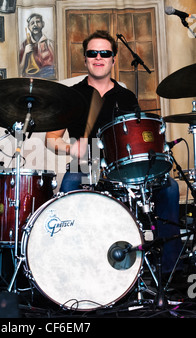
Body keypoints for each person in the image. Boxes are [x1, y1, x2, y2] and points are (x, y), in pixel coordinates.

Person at [45, 30, 184, 281]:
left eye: (105, 53)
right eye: (92, 53)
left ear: (113, 59)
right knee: (70, 183)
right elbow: (50, 139)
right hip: (85, 163)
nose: (98, 57)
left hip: (123, 167)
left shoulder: (126, 96)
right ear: (85, 59)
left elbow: (138, 136)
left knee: (170, 187)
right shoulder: (71, 96)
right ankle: (67, 267)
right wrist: (70, 148)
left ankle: (169, 272)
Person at [19, 13, 55, 79]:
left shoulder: (51, 43)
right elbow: (20, 70)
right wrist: (25, 53)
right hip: (32, 79)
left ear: (43, 24)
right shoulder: (24, 45)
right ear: (29, 27)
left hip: (49, 78)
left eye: (38, 22)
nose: (35, 25)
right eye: (32, 23)